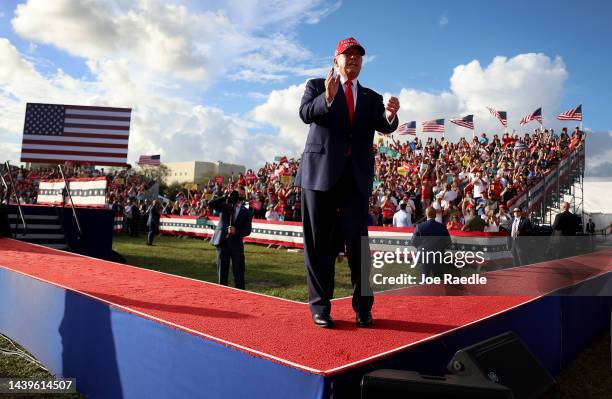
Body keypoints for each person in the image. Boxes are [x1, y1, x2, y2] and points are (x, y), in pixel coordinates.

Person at [295, 37, 400, 328]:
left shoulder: (371, 97)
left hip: (354, 180)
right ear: (336, 60)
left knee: (359, 247)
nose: (353, 59)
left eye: (358, 56)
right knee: (319, 246)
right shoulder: (316, 85)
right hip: (319, 176)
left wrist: (391, 115)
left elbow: (385, 125)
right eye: (348, 55)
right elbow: (305, 114)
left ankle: (363, 308)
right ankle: (320, 307)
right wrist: (327, 98)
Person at [208, 189, 252, 289]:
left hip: (236, 245)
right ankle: (223, 294)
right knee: (222, 272)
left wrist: (236, 231)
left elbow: (247, 230)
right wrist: (225, 196)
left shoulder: (247, 211)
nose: (237, 196)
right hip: (222, 242)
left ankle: (241, 295)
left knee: (239, 272)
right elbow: (210, 204)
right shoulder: (225, 205)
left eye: (240, 195)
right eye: (236, 194)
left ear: (244, 196)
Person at [412, 207, 452, 278]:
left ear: (426, 214)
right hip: (438, 255)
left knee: (425, 279)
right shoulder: (442, 227)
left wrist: (421, 248)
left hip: (424, 255)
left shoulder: (420, 226)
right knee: (439, 278)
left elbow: (413, 241)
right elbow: (448, 242)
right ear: (435, 215)